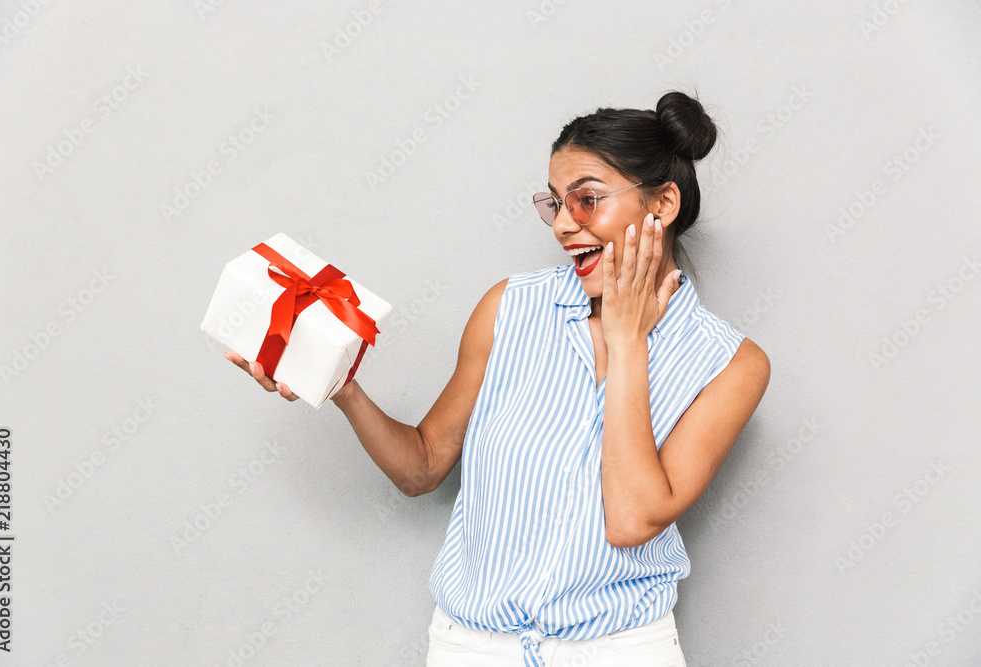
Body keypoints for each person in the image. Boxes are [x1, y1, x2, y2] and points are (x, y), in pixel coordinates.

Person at [226, 90, 770, 666]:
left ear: (661, 204)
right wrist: (341, 385)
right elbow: (422, 468)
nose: (563, 225)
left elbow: (633, 518)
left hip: (619, 650)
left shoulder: (731, 364)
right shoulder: (507, 309)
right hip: (474, 649)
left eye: (586, 200)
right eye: (554, 203)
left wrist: (628, 340)